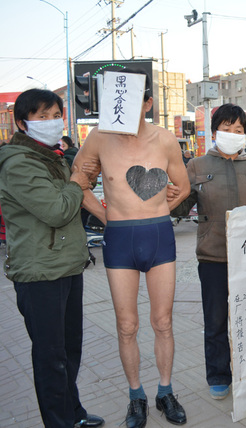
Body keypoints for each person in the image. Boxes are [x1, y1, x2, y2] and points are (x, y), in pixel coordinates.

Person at [74, 69, 190, 428]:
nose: (121, 107)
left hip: (158, 236)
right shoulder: (97, 138)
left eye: (131, 100)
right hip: (120, 239)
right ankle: (136, 395)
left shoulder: (165, 139)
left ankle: (165, 391)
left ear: (148, 102)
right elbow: (78, 183)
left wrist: (157, 213)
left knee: (163, 321)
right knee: (126, 325)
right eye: (113, 100)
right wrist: (109, 219)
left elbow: (183, 187)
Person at [0, 89, 104, 428]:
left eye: (55, 114)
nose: (51, 122)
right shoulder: (18, 163)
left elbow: (75, 203)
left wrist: (83, 181)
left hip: (67, 266)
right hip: (39, 272)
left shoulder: (53, 157)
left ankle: (73, 413)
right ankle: (59, 423)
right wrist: (77, 181)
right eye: (41, 116)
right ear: (22, 123)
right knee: (50, 357)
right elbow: (57, 210)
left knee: (69, 350)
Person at [171, 104, 246, 401]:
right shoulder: (197, 166)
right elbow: (179, 207)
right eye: (226, 129)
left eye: (238, 130)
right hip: (213, 256)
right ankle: (218, 374)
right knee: (215, 321)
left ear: (245, 135)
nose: (232, 134)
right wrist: (169, 191)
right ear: (215, 131)